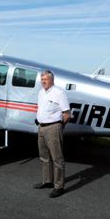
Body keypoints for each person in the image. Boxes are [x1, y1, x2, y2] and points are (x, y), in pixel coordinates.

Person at [33, 70, 70, 198]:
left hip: (53, 127)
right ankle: (48, 181)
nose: (43, 82)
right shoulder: (41, 92)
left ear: (52, 80)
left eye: (46, 79)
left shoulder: (59, 93)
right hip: (41, 127)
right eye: (42, 79)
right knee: (44, 157)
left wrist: (59, 127)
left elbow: (66, 113)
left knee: (57, 158)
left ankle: (59, 186)